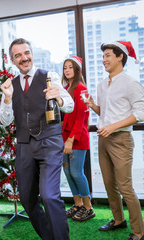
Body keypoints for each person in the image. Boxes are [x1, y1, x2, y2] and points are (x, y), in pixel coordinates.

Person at [0, 38, 74, 240]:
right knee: (27, 199)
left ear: (32, 53)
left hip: (49, 143)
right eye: (18, 56)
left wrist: (58, 97)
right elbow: (5, 122)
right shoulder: (10, 85)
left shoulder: (49, 76)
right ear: (13, 61)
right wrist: (6, 99)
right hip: (24, 146)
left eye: (26, 53)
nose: (24, 58)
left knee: (49, 195)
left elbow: (70, 105)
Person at [84, 41, 144, 240]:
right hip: (104, 139)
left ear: (120, 57)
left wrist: (113, 126)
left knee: (125, 187)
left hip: (121, 139)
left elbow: (141, 114)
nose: (104, 60)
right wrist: (93, 106)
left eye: (108, 55)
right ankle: (118, 220)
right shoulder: (102, 85)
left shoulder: (131, 83)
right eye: (103, 56)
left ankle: (138, 232)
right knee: (109, 183)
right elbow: (105, 112)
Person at [61, 56, 95, 222]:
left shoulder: (81, 89)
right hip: (66, 137)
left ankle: (89, 208)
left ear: (77, 69)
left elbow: (80, 118)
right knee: (67, 171)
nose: (67, 70)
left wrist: (70, 140)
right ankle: (78, 204)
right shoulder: (66, 89)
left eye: (70, 67)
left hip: (77, 139)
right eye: (65, 67)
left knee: (76, 172)